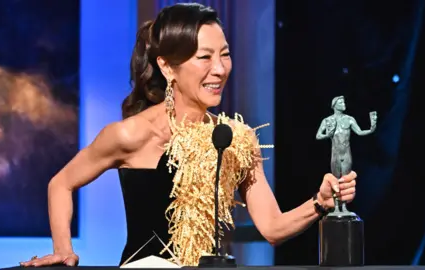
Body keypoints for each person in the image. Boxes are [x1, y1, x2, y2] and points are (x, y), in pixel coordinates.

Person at [20, 3, 357, 267]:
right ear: (168, 67)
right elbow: (61, 184)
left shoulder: (236, 139)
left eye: (225, 54)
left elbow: (271, 227)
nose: (220, 69)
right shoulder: (131, 134)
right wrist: (64, 251)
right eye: (205, 57)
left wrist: (319, 203)